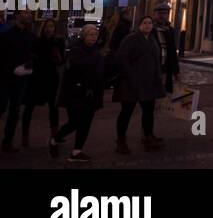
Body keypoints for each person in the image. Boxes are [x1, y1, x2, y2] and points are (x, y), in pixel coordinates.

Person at [51, 24, 106, 163]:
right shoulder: (76, 49)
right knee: (74, 122)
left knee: (86, 122)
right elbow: (77, 67)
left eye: (95, 34)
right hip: (76, 92)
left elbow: (100, 70)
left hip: (91, 92)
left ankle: (77, 151)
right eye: (91, 34)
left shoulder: (96, 50)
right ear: (84, 35)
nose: (94, 37)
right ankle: (55, 139)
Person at [113, 15, 166, 154]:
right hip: (132, 83)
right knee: (126, 112)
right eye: (145, 23)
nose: (148, 25)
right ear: (139, 25)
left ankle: (148, 136)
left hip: (148, 83)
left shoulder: (153, 39)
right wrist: (130, 76)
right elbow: (122, 58)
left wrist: (158, 76)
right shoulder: (131, 39)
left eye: (150, 23)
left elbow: (156, 59)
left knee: (148, 112)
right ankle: (121, 140)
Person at [22, 18, 65, 146]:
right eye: (47, 26)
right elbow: (31, 57)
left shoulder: (58, 42)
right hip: (36, 77)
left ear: (54, 28)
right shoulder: (37, 41)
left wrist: (58, 56)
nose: (49, 29)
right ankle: (25, 136)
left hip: (51, 77)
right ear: (43, 28)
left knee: (53, 107)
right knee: (29, 106)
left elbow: (61, 60)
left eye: (51, 26)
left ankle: (54, 136)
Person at [0, 10, 37, 153]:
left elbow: (34, 55)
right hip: (4, 77)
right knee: (1, 106)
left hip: (21, 79)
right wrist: (11, 69)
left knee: (15, 111)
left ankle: (7, 141)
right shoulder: (6, 36)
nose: (27, 15)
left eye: (29, 13)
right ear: (17, 16)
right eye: (24, 13)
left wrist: (28, 66)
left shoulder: (31, 37)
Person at [152, 4, 181, 94]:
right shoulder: (151, 29)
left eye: (164, 13)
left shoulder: (170, 30)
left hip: (165, 67)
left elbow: (172, 51)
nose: (161, 16)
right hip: (153, 67)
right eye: (159, 13)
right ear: (155, 14)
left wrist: (176, 71)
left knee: (164, 94)